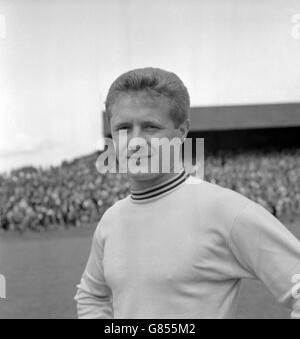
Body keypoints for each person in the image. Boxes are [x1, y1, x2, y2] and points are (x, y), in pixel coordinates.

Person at [74, 67, 300, 319]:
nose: (135, 141)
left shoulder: (227, 211)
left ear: (181, 132)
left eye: (151, 127)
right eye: (123, 128)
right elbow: (91, 295)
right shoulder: (111, 220)